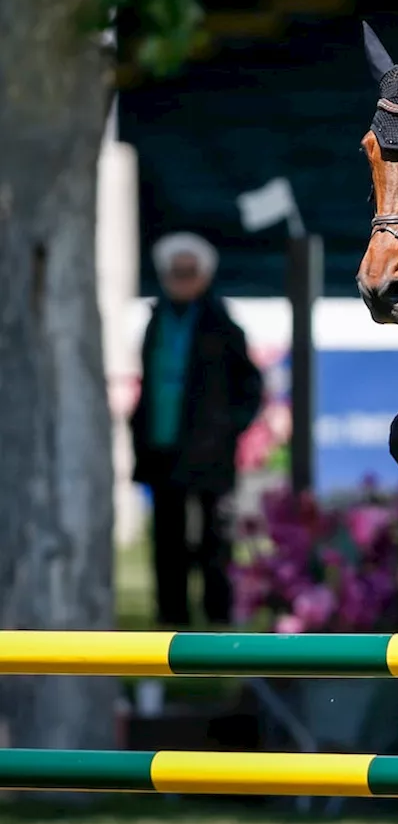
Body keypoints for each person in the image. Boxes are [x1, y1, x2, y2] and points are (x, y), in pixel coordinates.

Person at [130, 232, 263, 627]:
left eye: (190, 271)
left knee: (214, 540)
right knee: (167, 540)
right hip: (162, 448)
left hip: (209, 454)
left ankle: (217, 618)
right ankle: (171, 617)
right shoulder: (157, 320)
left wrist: (226, 429)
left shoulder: (221, 323)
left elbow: (249, 385)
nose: (182, 278)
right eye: (176, 271)